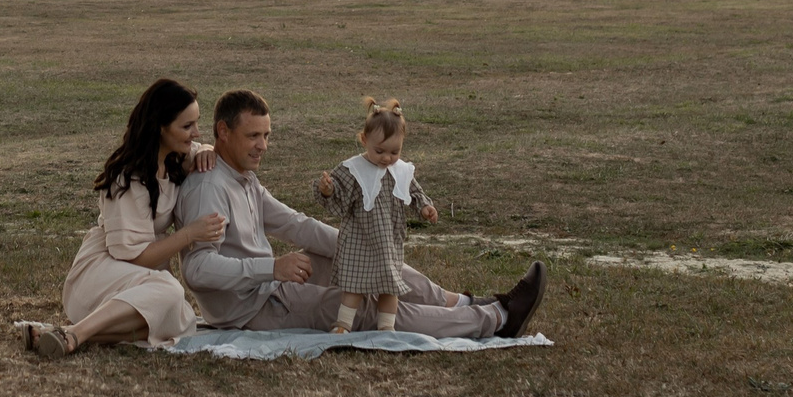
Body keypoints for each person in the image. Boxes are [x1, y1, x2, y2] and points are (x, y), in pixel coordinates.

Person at [176, 87, 543, 338]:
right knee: (363, 309)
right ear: (222, 132)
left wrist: (354, 246)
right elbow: (197, 270)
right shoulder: (209, 187)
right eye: (253, 136)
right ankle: (496, 319)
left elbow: (293, 224)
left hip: (267, 285)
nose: (263, 146)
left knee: (368, 259)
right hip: (251, 308)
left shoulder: (240, 177)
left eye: (267, 135)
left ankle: (463, 302)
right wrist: (271, 268)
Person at [23, 77, 227, 357]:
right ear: (160, 127)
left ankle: (64, 333)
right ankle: (76, 332)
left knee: (181, 319)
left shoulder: (173, 158)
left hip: (137, 282)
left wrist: (205, 150)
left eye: (196, 123)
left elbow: (203, 149)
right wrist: (190, 234)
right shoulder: (127, 180)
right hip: (101, 274)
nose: (196, 132)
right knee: (169, 290)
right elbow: (133, 256)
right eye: (187, 126)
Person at [314, 96, 435, 333]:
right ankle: (343, 324)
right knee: (354, 286)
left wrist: (424, 207)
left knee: (390, 286)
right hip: (360, 238)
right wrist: (328, 190)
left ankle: (386, 327)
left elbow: (413, 191)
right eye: (379, 151)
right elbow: (338, 192)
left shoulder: (400, 170)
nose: (387, 158)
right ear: (364, 140)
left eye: (394, 151)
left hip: (388, 240)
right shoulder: (353, 169)